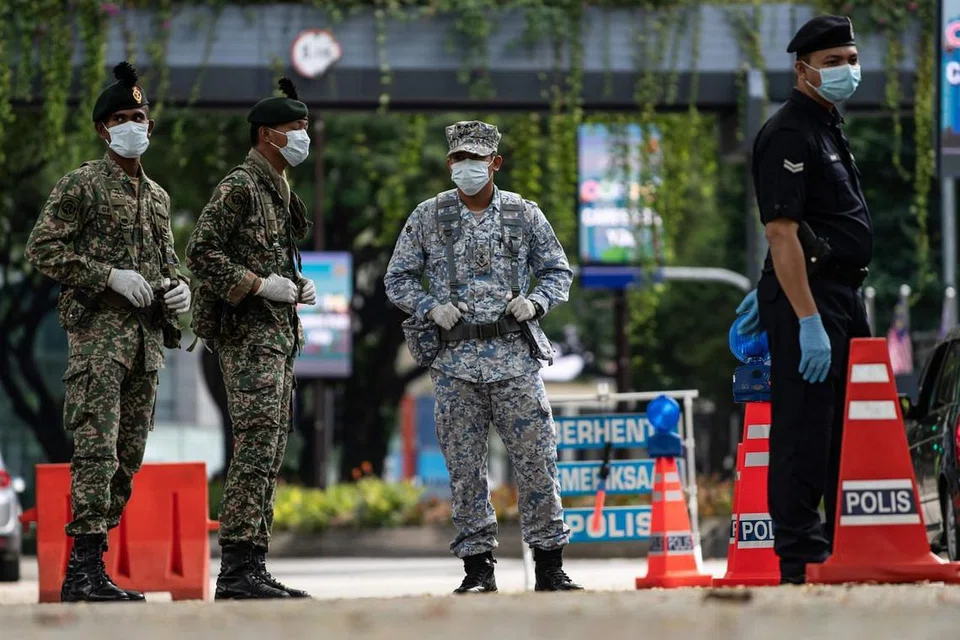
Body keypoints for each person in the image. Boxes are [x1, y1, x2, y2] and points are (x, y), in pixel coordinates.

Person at [384, 120, 582, 593]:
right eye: (458, 159)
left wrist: (535, 302)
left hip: (515, 359)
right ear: (449, 162)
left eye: (475, 159)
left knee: (537, 462)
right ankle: (478, 569)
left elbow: (558, 270)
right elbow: (398, 279)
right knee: (465, 469)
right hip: (455, 364)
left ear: (495, 162)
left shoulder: (522, 214)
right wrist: (431, 306)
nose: (465, 167)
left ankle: (550, 565)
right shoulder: (429, 216)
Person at [25, 61, 191, 602]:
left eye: (138, 116)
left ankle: (95, 565)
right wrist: (108, 277)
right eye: (120, 117)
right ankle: (80, 572)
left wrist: (177, 290)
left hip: (145, 346)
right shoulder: (83, 185)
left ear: (149, 123)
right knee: (96, 453)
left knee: (127, 456)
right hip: (99, 339)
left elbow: (165, 260)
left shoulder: (159, 198)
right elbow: (43, 249)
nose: (132, 125)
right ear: (103, 128)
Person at [735, 15, 872, 585]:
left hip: (841, 292)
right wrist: (806, 317)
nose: (846, 71)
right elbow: (782, 233)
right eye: (833, 62)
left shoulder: (826, 126)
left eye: (851, 59)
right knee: (805, 427)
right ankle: (800, 557)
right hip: (809, 298)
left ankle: (843, 547)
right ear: (803, 69)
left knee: (850, 426)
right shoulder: (790, 131)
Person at [186, 77, 316, 600]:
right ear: (267, 133)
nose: (304, 137)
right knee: (256, 446)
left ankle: (254, 564)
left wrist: (292, 281)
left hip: (277, 336)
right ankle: (237, 569)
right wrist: (259, 285)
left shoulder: (279, 190)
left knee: (270, 447)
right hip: (247, 337)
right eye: (295, 128)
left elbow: (267, 254)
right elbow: (200, 252)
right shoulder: (240, 185)